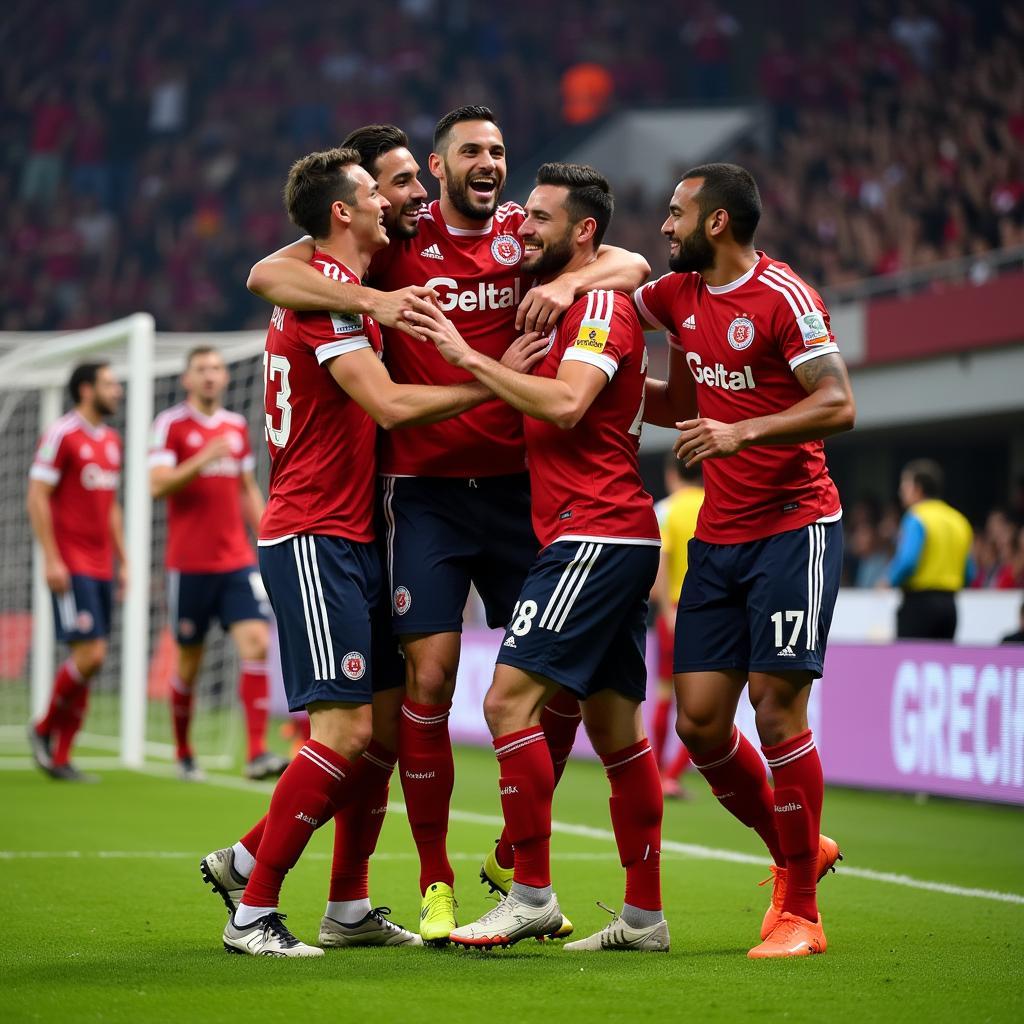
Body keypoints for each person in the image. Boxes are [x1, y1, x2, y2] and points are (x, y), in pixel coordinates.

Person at [245, 107, 649, 942]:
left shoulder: (525, 232)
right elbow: (269, 275)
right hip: (420, 491)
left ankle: (519, 851)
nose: (490, 162)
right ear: (437, 167)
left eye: (500, 149)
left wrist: (573, 283)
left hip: (517, 489)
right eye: (471, 150)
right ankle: (434, 880)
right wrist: (377, 300)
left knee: (558, 680)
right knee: (426, 678)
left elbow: (630, 259)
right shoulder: (398, 235)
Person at [202, 146, 529, 957]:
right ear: (348, 208)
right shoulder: (332, 297)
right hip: (314, 534)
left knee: (379, 730)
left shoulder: (347, 282)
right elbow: (385, 403)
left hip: (354, 530)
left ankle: (342, 903)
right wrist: (495, 378)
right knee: (343, 732)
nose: (405, 199)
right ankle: (253, 906)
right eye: (391, 186)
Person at [408, 162, 668, 952]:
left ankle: (529, 894)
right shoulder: (561, 306)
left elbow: (565, 402)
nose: (524, 230)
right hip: (604, 534)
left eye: (542, 221)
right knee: (618, 733)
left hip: (595, 533)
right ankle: (644, 917)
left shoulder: (596, 304)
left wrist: (467, 356)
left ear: (584, 232)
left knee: (504, 706)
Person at [637, 163, 855, 958]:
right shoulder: (675, 295)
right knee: (697, 722)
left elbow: (840, 403)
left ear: (718, 222)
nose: (664, 226)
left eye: (675, 213)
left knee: (774, 709)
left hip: (795, 526)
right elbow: (625, 306)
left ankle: (800, 911)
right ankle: (800, 850)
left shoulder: (784, 297)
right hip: (721, 536)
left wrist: (740, 432)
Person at [150, 346, 287, 782]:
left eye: (216, 369)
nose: (210, 376)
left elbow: (246, 486)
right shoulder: (170, 425)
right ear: (187, 379)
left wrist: (267, 532)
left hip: (235, 561)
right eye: (201, 370)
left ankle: (257, 753)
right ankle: (185, 751)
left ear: (225, 378)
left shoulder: (235, 426)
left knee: (256, 643)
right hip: (189, 565)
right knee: (189, 662)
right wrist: (203, 458)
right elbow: (158, 485)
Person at [27, 362, 126, 782]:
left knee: (90, 660)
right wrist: (51, 557)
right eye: (109, 384)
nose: (117, 390)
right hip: (71, 563)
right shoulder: (62, 433)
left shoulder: (111, 440)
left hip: (103, 565)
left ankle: (63, 756)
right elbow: (36, 495)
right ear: (86, 390)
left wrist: (125, 560)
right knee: (91, 654)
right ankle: (44, 727)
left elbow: (110, 505)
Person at [651, 455, 704, 798]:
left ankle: (657, 774)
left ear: (672, 474)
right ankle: (671, 775)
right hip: (710, 614)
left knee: (664, 694)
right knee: (703, 706)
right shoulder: (717, 506)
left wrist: (663, 609)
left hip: (672, 611)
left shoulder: (664, 510)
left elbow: (660, 565)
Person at [887, 459, 973, 639]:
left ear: (918, 488)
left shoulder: (917, 516)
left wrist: (889, 580)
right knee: (939, 662)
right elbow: (969, 571)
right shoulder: (959, 520)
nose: (901, 490)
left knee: (910, 662)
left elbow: (908, 561)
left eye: (905, 484)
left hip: (918, 604)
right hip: (950, 606)